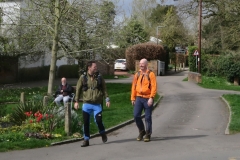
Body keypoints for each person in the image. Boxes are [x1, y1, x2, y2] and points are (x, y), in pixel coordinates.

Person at [74, 61, 110, 147]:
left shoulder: (100, 77)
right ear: (89, 68)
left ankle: (102, 133)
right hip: (86, 104)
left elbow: (104, 89)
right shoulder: (83, 77)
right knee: (86, 122)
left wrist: (107, 99)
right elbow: (78, 89)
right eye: (94, 66)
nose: (96, 68)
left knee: (98, 121)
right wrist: (76, 101)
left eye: (96, 67)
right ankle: (86, 139)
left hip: (97, 104)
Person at [131, 58, 157, 142]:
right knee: (136, 115)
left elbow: (154, 87)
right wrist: (133, 98)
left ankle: (148, 134)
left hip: (147, 98)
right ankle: (142, 131)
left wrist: (151, 98)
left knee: (148, 117)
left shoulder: (151, 74)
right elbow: (134, 87)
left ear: (146, 65)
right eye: (140, 63)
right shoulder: (137, 74)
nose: (140, 65)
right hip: (139, 97)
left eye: (142, 64)